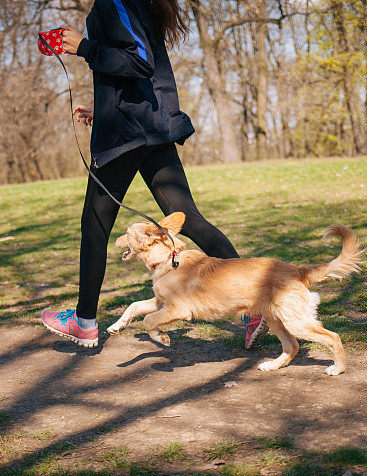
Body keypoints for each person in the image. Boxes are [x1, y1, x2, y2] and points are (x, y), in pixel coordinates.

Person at [40, 0, 267, 349]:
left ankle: (84, 322)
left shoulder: (113, 2)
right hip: (147, 129)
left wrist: (83, 47)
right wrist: (103, 112)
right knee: (189, 219)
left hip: (128, 137)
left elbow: (138, 62)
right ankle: (255, 304)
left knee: (95, 229)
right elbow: (134, 77)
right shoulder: (136, 4)